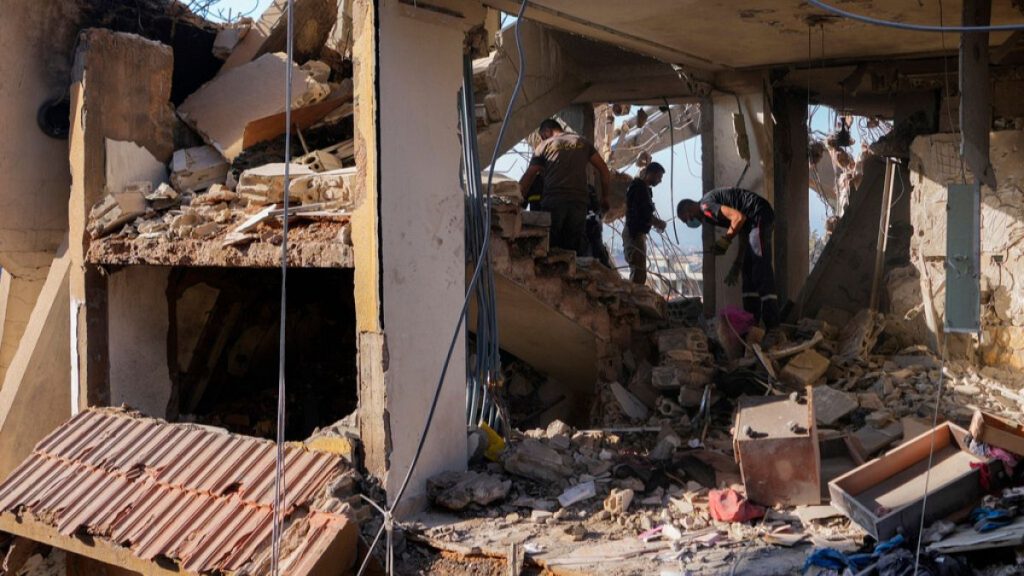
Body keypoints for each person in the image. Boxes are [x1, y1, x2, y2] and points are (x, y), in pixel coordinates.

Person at [677, 188, 780, 330]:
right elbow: (742, 231)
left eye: (687, 218)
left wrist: (726, 240)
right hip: (751, 222)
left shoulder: (706, 206)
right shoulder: (709, 215)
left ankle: (773, 326)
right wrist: (738, 263)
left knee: (761, 270)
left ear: (689, 208)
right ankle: (752, 325)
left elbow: (738, 218)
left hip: (759, 215)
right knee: (748, 273)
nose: (689, 221)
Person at [519, 119, 612, 254]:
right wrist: (605, 197)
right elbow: (604, 170)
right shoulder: (582, 142)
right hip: (579, 204)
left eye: (542, 136)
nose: (542, 139)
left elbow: (530, 175)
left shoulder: (544, 146)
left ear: (547, 132)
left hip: (554, 202)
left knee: (550, 250)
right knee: (573, 252)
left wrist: (516, 199)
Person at [623, 163, 667, 284]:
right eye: (659, 177)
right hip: (634, 234)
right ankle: (634, 296)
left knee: (640, 271)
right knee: (638, 273)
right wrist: (659, 223)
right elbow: (644, 214)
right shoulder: (639, 188)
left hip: (636, 234)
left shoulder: (643, 188)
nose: (660, 181)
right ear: (651, 173)